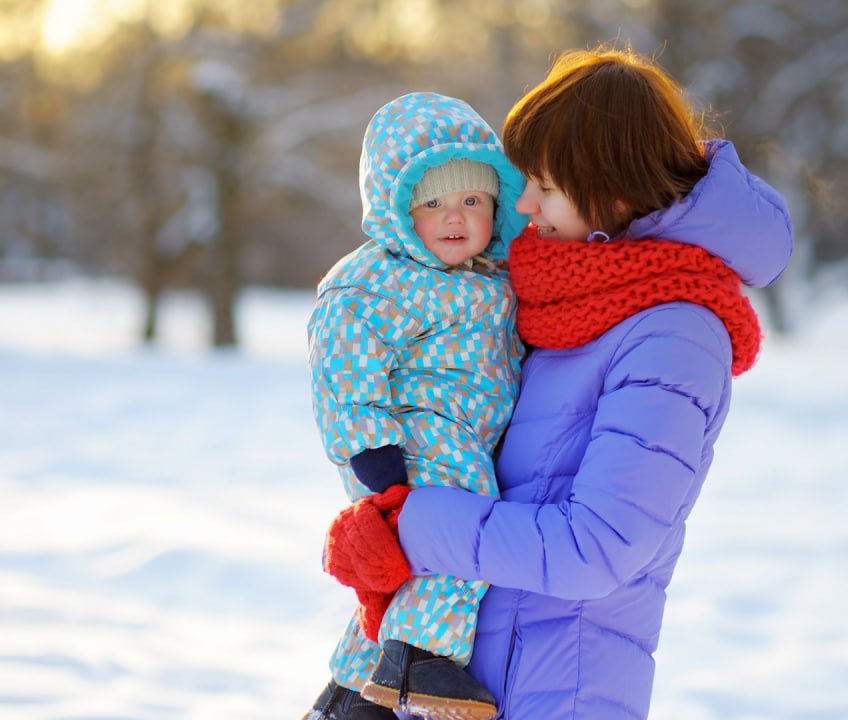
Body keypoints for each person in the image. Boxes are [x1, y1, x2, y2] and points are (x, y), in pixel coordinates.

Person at [324, 46, 794, 719]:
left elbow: (595, 546)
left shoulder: (674, 336)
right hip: (472, 676)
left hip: (557, 690)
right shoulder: (563, 306)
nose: (524, 201)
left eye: (546, 182)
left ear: (614, 189)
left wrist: (412, 524)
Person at [304, 92, 528, 720]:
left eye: (472, 200)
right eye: (433, 202)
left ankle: (351, 696)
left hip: (464, 438)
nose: (454, 217)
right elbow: (342, 368)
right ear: (398, 209)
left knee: (402, 573)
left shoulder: (494, 278)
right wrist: (373, 454)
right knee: (462, 531)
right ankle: (416, 661)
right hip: (413, 441)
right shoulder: (375, 279)